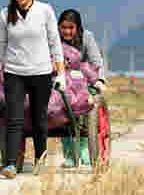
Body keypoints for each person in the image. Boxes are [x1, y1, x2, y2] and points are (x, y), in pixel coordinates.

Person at [0, 0, 66, 179]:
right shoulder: (4, 14)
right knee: (14, 118)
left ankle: (40, 159)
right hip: (14, 73)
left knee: (39, 119)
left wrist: (61, 74)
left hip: (41, 73)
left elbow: (54, 43)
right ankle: (11, 164)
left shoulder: (45, 11)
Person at [57, 9, 107, 168]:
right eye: (63, 28)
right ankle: (70, 154)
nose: (66, 31)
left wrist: (98, 80)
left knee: (87, 104)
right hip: (60, 81)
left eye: (70, 28)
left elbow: (96, 62)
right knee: (59, 106)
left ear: (78, 28)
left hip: (83, 79)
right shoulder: (54, 39)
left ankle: (85, 148)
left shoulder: (87, 38)